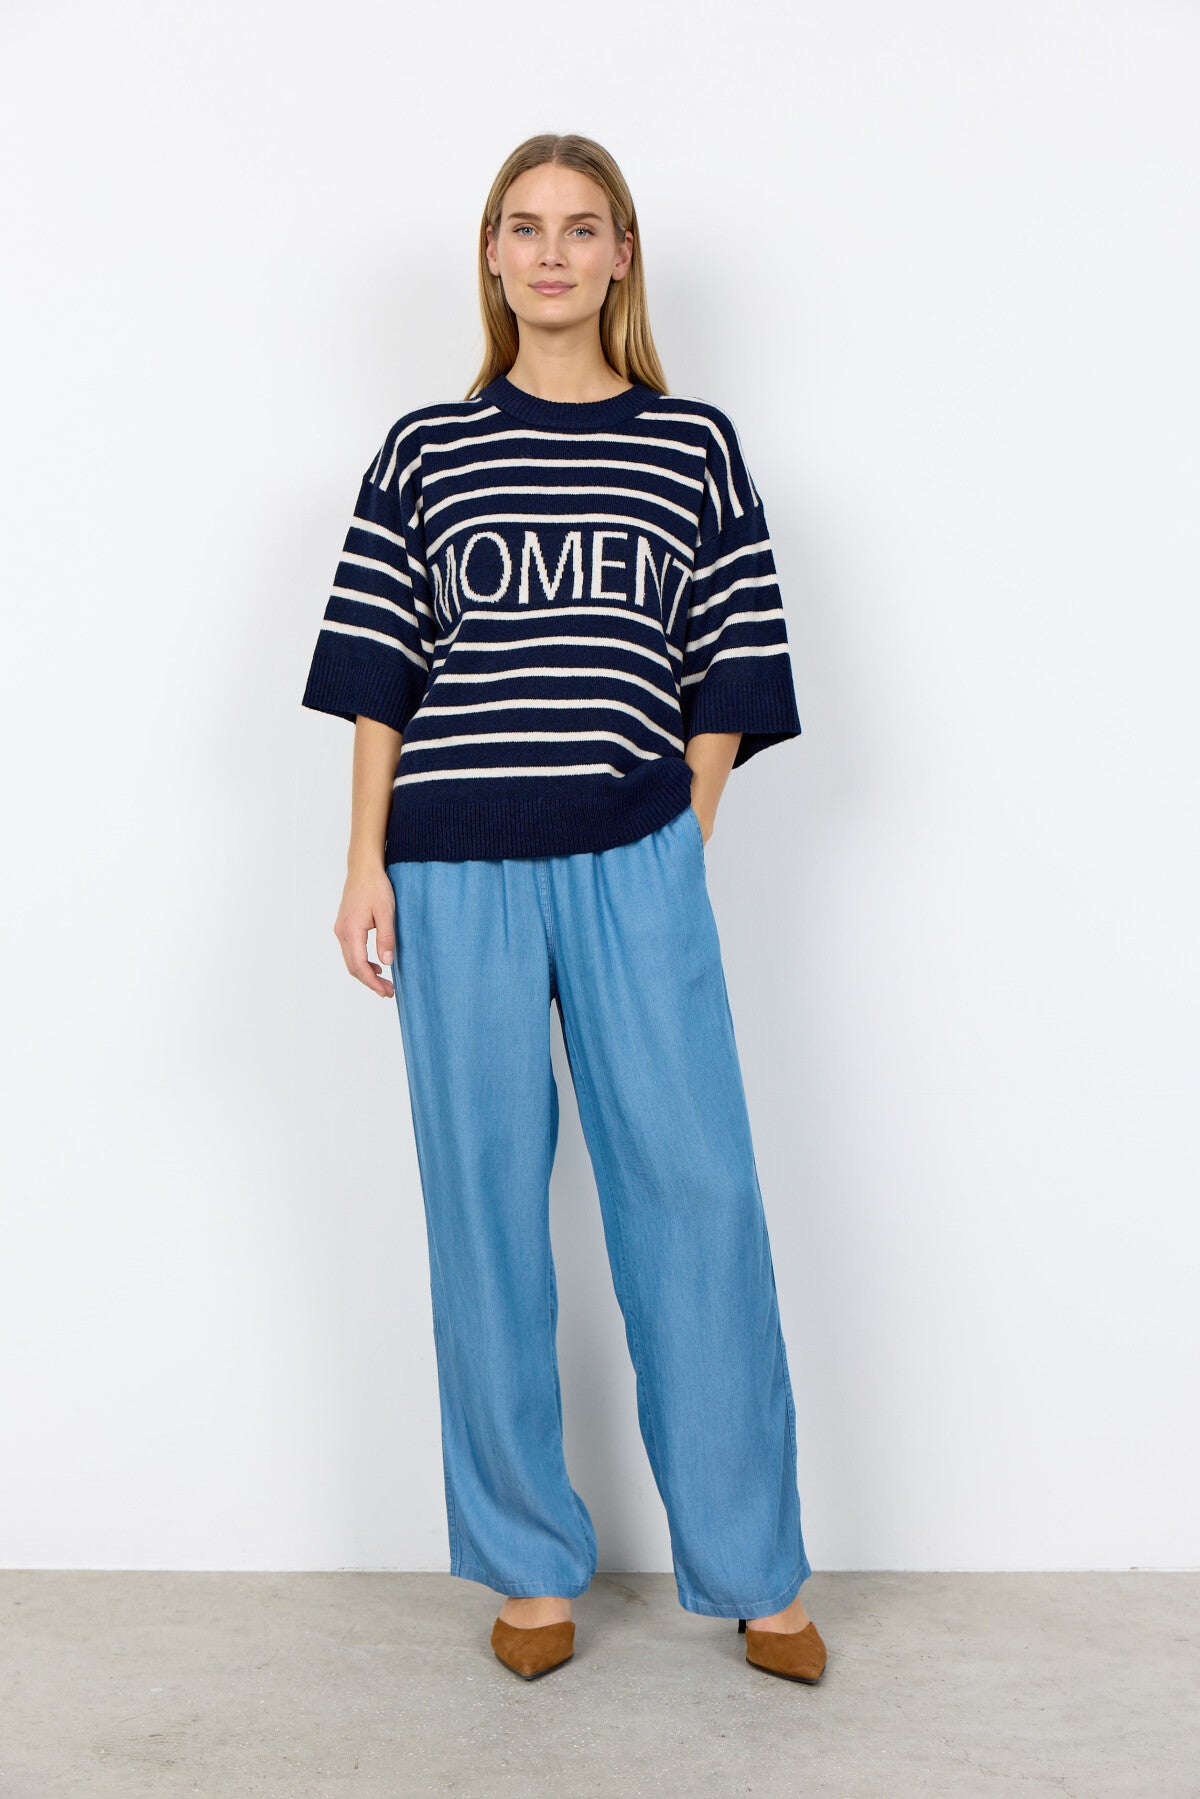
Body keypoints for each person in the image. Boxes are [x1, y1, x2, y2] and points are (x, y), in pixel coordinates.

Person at [301, 132, 826, 1687]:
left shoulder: (691, 444)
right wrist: (361, 864)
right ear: (490, 254)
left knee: (697, 1197)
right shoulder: (425, 451)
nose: (551, 252)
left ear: (619, 257)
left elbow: (731, 664)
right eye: (524, 227)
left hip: (631, 853)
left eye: (581, 228)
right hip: (451, 863)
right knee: (482, 1210)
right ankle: (528, 1565)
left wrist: (682, 825)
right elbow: (381, 675)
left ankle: (756, 1570)